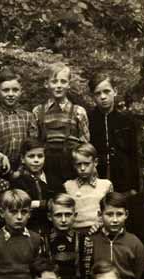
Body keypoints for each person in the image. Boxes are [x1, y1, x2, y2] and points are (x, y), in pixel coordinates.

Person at [33, 62, 90, 192]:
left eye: (63, 81)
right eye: (54, 81)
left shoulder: (78, 111)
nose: (58, 86)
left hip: (72, 167)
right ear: (46, 84)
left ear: (69, 84)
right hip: (46, 168)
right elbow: (33, 145)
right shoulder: (38, 111)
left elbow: (85, 145)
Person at [85, 192, 144, 279]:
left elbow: (141, 277)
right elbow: (86, 273)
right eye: (109, 214)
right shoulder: (91, 240)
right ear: (100, 215)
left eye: (119, 214)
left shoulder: (134, 242)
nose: (114, 220)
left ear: (126, 214)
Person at [87, 71, 141, 194]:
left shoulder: (127, 121)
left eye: (106, 91)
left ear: (115, 91)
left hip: (123, 179)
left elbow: (134, 155)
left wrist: (135, 187)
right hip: (96, 177)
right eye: (98, 93)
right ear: (93, 97)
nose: (103, 97)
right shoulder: (88, 120)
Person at [42, 193, 91, 279]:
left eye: (68, 215)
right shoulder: (43, 241)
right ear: (50, 216)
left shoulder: (85, 241)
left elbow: (87, 274)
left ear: (75, 215)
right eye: (58, 215)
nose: (63, 220)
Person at [0, 67, 39, 173]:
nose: (11, 94)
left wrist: (21, 169)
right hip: (1, 167)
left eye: (15, 90)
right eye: (6, 90)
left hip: (25, 169)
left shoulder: (28, 116)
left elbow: (33, 145)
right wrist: (0, 156)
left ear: (21, 92)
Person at [62, 142, 113, 233]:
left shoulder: (105, 185)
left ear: (95, 162)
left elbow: (111, 210)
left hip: (99, 231)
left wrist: (100, 224)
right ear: (74, 165)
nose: (82, 168)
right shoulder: (68, 186)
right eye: (79, 164)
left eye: (86, 164)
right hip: (76, 232)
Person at [10, 138, 53, 233]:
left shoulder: (52, 179)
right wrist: (43, 204)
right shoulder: (18, 181)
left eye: (40, 156)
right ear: (22, 159)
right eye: (31, 156)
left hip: (50, 226)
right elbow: (19, 203)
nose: (36, 160)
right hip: (28, 227)